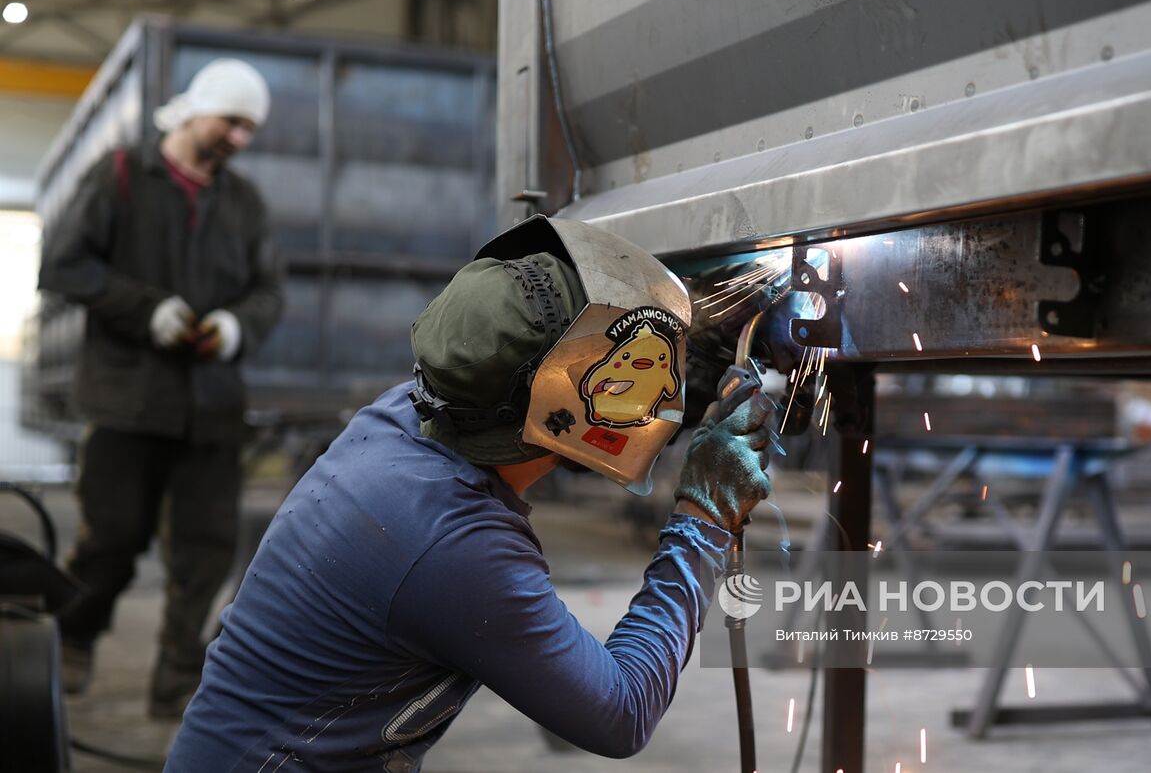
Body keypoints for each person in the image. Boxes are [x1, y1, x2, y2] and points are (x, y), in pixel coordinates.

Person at [166, 215, 779, 771]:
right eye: (634, 369)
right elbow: (621, 713)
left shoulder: (403, 415)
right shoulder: (454, 547)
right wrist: (704, 517)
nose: (654, 383)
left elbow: (552, 411)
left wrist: (687, 362)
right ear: (562, 402)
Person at [38, 58, 285, 717]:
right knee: (110, 539)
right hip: (127, 401)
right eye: (231, 123)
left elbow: (268, 293)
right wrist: (146, 309)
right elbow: (63, 266)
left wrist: (233, 327)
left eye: (249, 130)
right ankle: (74, 640)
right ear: (198, 109)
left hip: (212, 408)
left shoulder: (245, 202)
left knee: (204, 554)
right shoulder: (120, 177)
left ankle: (178, 685)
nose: (240, 139)